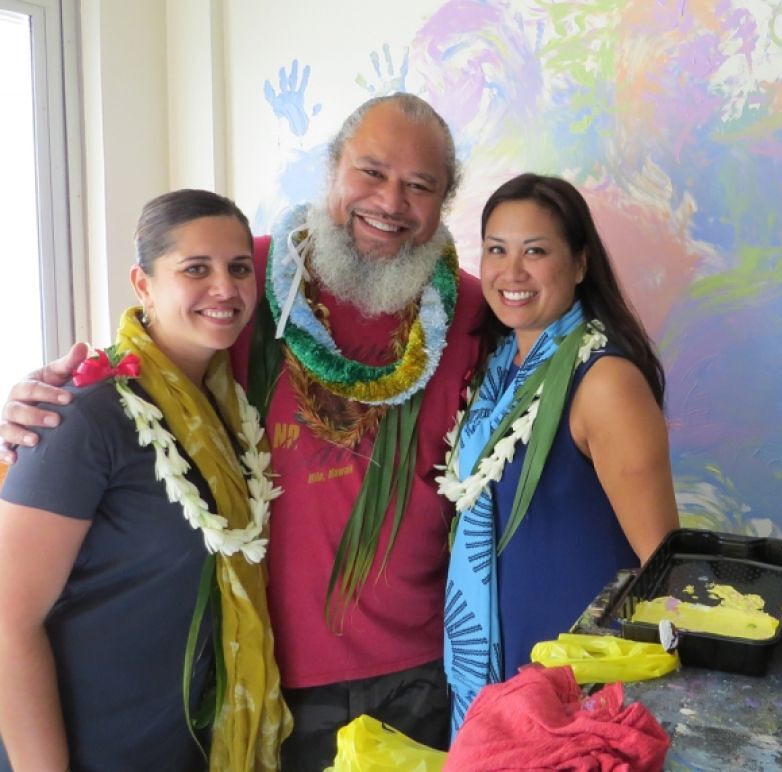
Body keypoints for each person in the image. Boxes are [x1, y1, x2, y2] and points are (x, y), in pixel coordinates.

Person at [0, 94, 487, 769]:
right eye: (371, 172)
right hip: (260, 676)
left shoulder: (474, 311)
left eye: (420, 185)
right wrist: (39, 398)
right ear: (332, 170)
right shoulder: (254, 277)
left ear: (444, 200)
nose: (390, 201)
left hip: (420, 671)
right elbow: (148, 354)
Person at [0, 189, 291, 770]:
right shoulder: (84, 414)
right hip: (86, 750)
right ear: (143, 284)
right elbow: (8, 623)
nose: (225, 288)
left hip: (183, 747)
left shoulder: (230, 411)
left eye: (239, 268)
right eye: (195, 269)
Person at [437, 173, 680, 732]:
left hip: (577, 689)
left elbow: (664, 567)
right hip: (502, 675)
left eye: (536, 251)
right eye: (496, 250)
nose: (512, 272)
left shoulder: (604, 381)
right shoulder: (498, 371)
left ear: (579, 264)